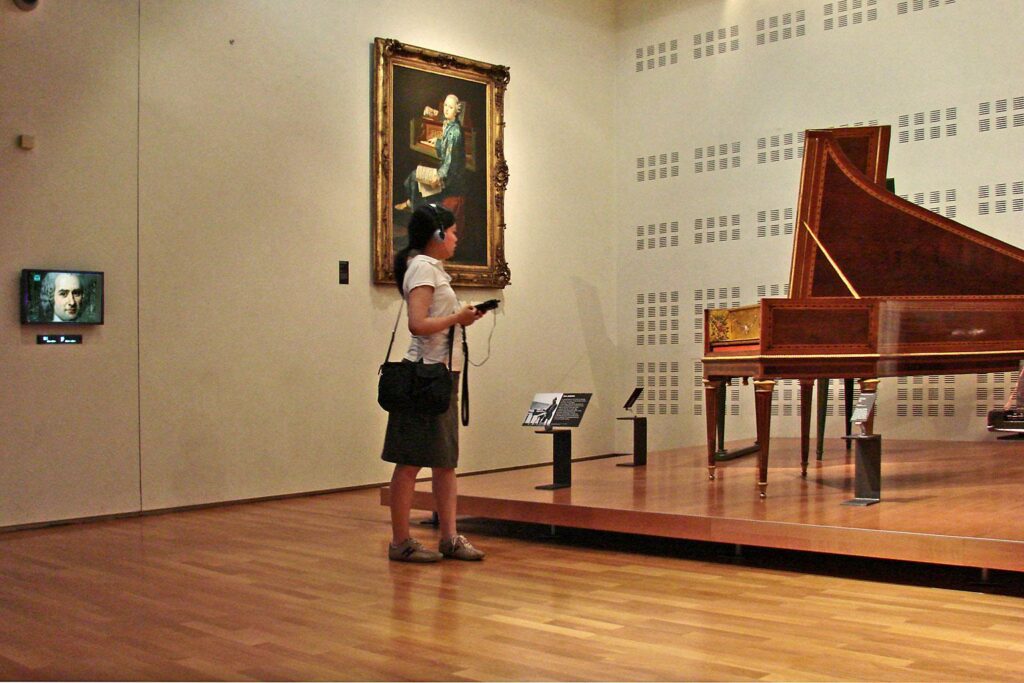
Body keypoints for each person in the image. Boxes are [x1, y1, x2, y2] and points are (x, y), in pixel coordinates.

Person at [382, 203, 487, 563]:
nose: (457, 238)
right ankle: (400, 542)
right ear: (438, 234)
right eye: (453, 232)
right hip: (424, 378)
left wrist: (460, 318)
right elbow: (417, 323)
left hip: (440, 375)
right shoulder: (423, 269)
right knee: (410, 462)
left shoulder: (431, 269)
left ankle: (449, 537)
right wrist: (457, 317)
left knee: (444, 461)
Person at [394, 94, 466, 213]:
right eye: (446, 106)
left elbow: (449, 161)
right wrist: (437, 142)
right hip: (449, 173)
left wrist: (438, 177)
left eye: (451, 107)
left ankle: (416, 211)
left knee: (414, 177)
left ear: (457, 111)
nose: (446, 109)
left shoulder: (455, 132)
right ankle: (413, 205)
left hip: (450, 180)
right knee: (414, 175)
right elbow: (446, 148)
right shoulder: (450, 124)